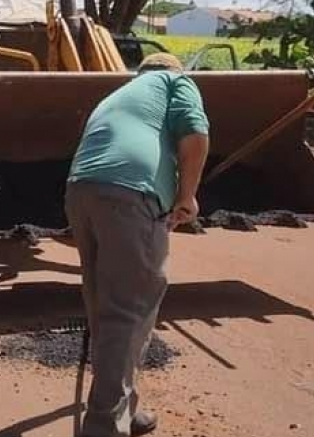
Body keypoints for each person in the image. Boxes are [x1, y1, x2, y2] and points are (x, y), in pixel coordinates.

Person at [65, 52, 211, 437]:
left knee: (103, 304)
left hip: (81, 191)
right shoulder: (176, 82)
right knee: (128, 311)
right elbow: (195, 134)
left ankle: (123, 407)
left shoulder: (120, 94)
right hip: (130, 194)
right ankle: (103, 426)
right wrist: (187, 196)